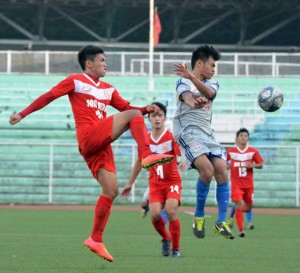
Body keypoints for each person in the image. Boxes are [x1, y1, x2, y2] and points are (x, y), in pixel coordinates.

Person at [9, 45, 174, 262]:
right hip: (88, 136)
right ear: (89, 63)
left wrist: (146, 109)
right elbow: (48, 96)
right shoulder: (76, 80)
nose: (106, 63)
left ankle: (95, 238)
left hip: (100, 143)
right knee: (132, 115)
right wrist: (22, 113)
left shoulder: (108, 89)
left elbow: (126, 108)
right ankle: (146, 155)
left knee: (111, 190)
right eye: (102, 60)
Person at [173, 45, 234, 239]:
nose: (213, 69)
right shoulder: (182, 81)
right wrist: (193, 102)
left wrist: (193, 78)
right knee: (207, 171)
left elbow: (210, 94)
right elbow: (188, 99)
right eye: (212, 65)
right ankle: (199, 216)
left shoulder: (213, 84)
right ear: (199, 63)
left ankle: (221, 221)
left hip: (208, 135)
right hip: (187, 132)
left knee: (222, 170)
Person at [121, 102, 182, 257]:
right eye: (153, 115)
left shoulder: (170, 137)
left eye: (160, 115)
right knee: (154, 215)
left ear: (164, 118)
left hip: (172, 182)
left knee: (170, 210)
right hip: (155, 185)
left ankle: (176, 249)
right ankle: (165, 237)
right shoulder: (145, 141)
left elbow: (181, 154)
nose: (157, 118)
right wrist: (130, 183)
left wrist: (183, 161)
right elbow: (139, 162)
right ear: (148, 119)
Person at [226, 128, 263, 237]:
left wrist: (253, 165)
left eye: (245, 136)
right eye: (241, 136)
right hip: (236, 185)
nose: (243, 137)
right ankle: (241, 230)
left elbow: (260, 164)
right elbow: (224, 164)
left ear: (248, 138)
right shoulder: (231, 152)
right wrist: (226, 167)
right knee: (239, 204)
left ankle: (232, 217)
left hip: (249, 185)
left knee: (248, 208)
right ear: (237, 138)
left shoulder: (253, 151)